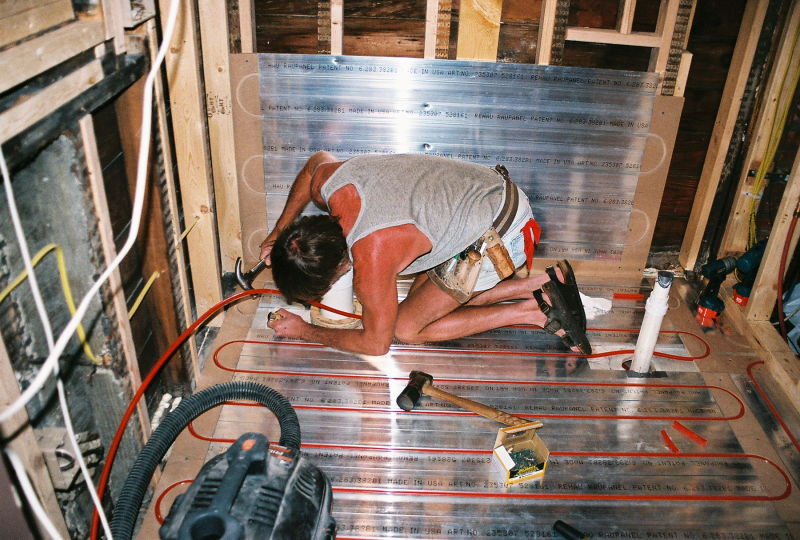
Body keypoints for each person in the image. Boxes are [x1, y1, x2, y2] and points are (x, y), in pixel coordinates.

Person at [259, 151, 591, 357]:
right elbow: (312, 165)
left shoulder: (371, 261)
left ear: (335, 272)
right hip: (486, 196)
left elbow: (376, 344)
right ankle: (540, 284)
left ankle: (532, 311)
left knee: (407, 326)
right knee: (424, 302)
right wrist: (277, 232)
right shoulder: (330, 183)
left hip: (502, 233)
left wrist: (304, 330)